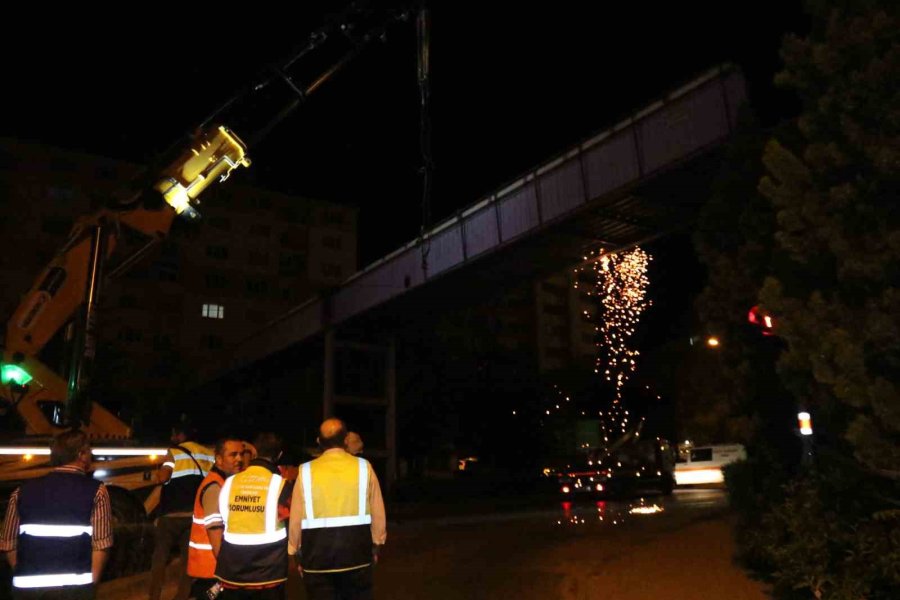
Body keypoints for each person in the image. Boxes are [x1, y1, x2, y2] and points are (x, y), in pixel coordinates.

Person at [0, 429, 113, 599]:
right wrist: (90, 586)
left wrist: (24, 573)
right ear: (81, 455)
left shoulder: (21, 491)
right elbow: (101, 545)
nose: (91, 454)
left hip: (27, 590)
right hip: (74, 590)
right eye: (89, 450)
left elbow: (8, 543)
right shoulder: (96, 491)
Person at [289, 419, 386, 600]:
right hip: (357, 557)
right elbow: (378, 512)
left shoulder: (306, 471)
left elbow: (295, 519)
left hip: (316, 560)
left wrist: (294, 553)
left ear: (318, 441)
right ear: (346, 440)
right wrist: (376, 546)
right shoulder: (364, 467)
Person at [215, 432, 292, 598]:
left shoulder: (230, 482)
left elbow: (223, 518)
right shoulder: (281, 484)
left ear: (255, 452)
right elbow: (290, 521)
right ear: (279, 455)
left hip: (232, 570)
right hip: (268, 572)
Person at [150, 424, 214, 600]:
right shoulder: (208, 454)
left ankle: (154, 596)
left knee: (160, 556)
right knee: (187, 560)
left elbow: (164, 477)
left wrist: (158, 475)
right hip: (194, 515)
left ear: (181, 435)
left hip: (171, 514)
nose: (172, 438)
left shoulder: (174, 452)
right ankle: (182, 596)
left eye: (174, 435)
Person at [186, 438, 245, 600]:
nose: (239, 459)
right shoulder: (214, 487)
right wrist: (230, 571)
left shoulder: (221, 483)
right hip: (212, 572)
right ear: (218, 459)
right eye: (233, 455)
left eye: (241, 454)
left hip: (213, 570)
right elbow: (215, 532)